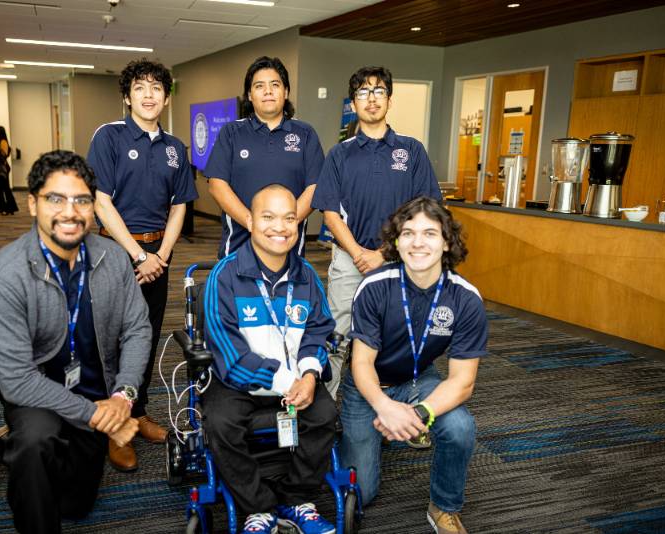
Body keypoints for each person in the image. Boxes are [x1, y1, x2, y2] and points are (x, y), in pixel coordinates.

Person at [0, 150, 152, 533]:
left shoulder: (113, 258)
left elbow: (138, 328)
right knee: (36, 441)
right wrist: (98, 418)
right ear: (31, 203)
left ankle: (21, 444)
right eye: (55, 199)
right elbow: (17, 380)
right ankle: (22, 442)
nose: (69, 211)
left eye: (81, 200)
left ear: (94, 207)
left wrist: (123, 396)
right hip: (34, 390)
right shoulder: (6, 274)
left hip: (94, 389)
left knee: (76, 504)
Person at [340, 197, 488, 534]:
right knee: (362, 492)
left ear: (447, 241)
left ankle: (444, 507)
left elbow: (462, 382)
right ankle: (370, 433)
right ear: (396, 241)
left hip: (419, 379)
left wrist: (417, 414)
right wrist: (383, 405)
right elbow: (361, 362)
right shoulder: (375, 287)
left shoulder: (465, 298)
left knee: (460, 428)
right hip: (369, 386)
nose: (418, 242)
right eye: (408, 233)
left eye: (430, 233)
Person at [202, 184, 337, 534]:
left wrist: (308, 375)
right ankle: (257, 507)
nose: (280, 227)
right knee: (220, 424)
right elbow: (228, 353)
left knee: (324, 415)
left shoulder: (306, 274)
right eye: (269, 217)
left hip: (296, 379)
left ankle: (296, 499)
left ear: (298, 224)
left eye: (289, 218)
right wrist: (284, 380)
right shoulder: (225, 276)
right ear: (249, 221)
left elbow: (320, 329)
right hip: (239, 381)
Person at [88, 59, 198, 471]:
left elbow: (180, 204)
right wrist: (138, 255)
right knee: (112, 341)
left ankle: (137, 412)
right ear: (127, 95)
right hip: (117, 255)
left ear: (167, 97)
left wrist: (162, 257)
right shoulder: (110, 137)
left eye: (157, 88)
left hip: (159, 256)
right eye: (140, 87)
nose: (149, 94)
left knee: (146, 338)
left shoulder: (175, 148)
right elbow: (101, 201)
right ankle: (114, 425)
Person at [311, 66, 442, 399]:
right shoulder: (339, 154)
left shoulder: (411, 151)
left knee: (401, 339)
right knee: (338, 338)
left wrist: (384, 254)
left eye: (379, 91)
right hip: (348, 262)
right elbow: (329, 213)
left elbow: (424, 212)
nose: (372, 99)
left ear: (390, 99)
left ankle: (408, 409)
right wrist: (358, 254)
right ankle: (324, 416)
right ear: (353, 104)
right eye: (363, 93)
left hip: (400, 262)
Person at [204, 56, 324, 259]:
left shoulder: (305, 133)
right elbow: (217, 185)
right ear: (250, 95)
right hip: (238, 248)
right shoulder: (232, 132)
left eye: (275, 85)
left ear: (285, 92)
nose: (268, 91)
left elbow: (315, 188)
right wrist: (253, 222)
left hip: (290, 248)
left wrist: (283, 226)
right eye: (259, 86)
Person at [0, 125, 19, 215]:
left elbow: (3, 155)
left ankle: (8, 208)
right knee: (1, 188)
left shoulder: (3, 141)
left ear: (1, 132)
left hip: (3, 168)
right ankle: (7, 208)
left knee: (4, 188)